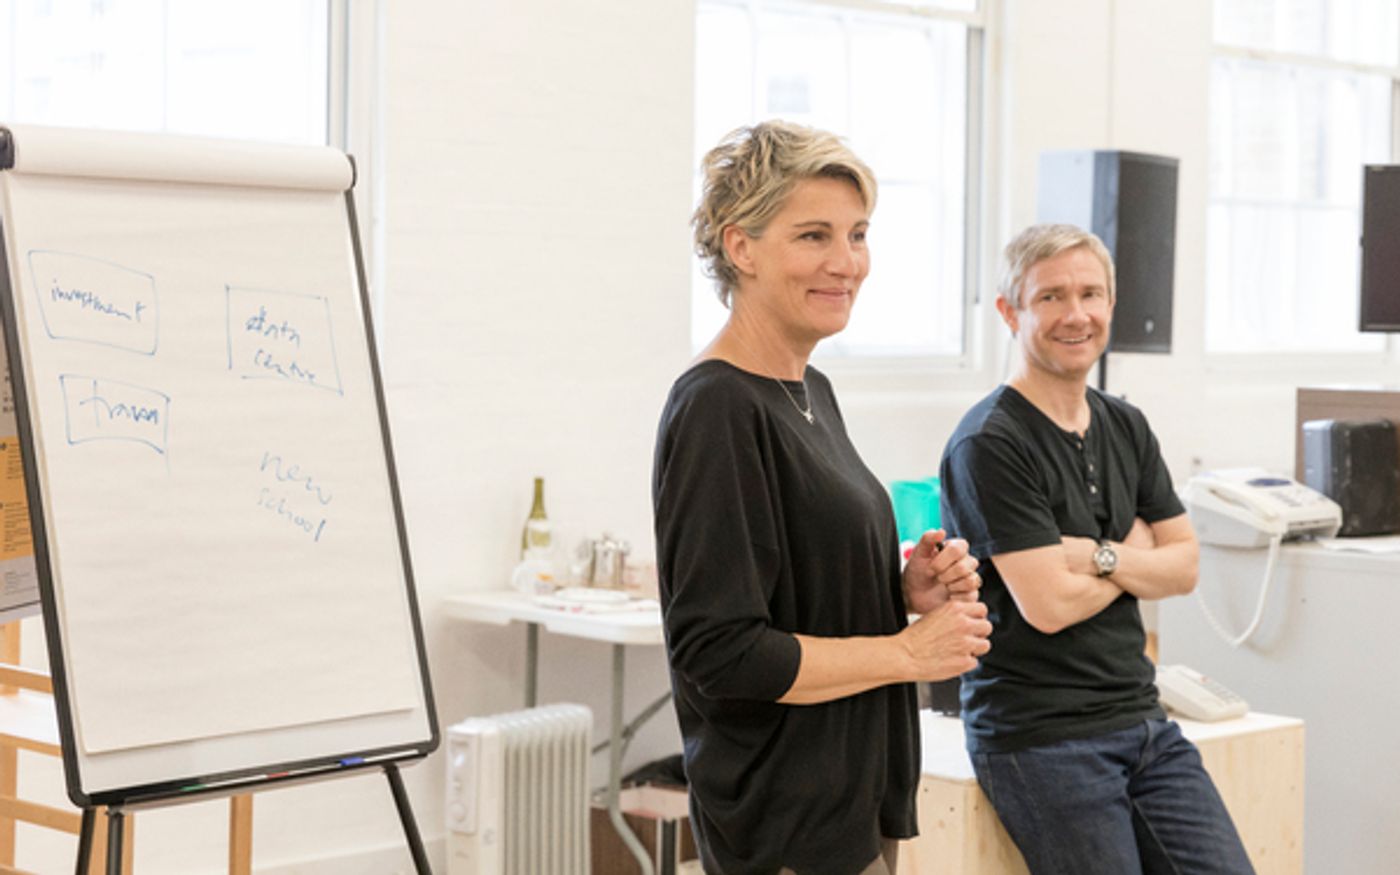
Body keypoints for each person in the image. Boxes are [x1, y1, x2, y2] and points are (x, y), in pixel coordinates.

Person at [652, 120, 993, 875]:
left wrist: (901, 593)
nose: (847, 262)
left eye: (858, 234)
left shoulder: (810, 390)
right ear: (741, 247)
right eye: (813, 236)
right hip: (784, 820)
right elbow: (723, 652)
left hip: (852, 794)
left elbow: (794, 590)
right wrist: (907, 651)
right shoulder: (717, 407)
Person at [938, 223, 1254, 874]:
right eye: (1051, 296)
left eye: (1091, 293)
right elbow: (1048, 604)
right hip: (1043, 738)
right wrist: (1135, 553)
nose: (1076, 314)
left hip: (1143, 722)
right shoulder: (989, 444)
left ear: (1110, 302)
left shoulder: (1126, 424)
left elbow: (1187, 565)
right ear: (1009, 311)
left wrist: (1099, 555)